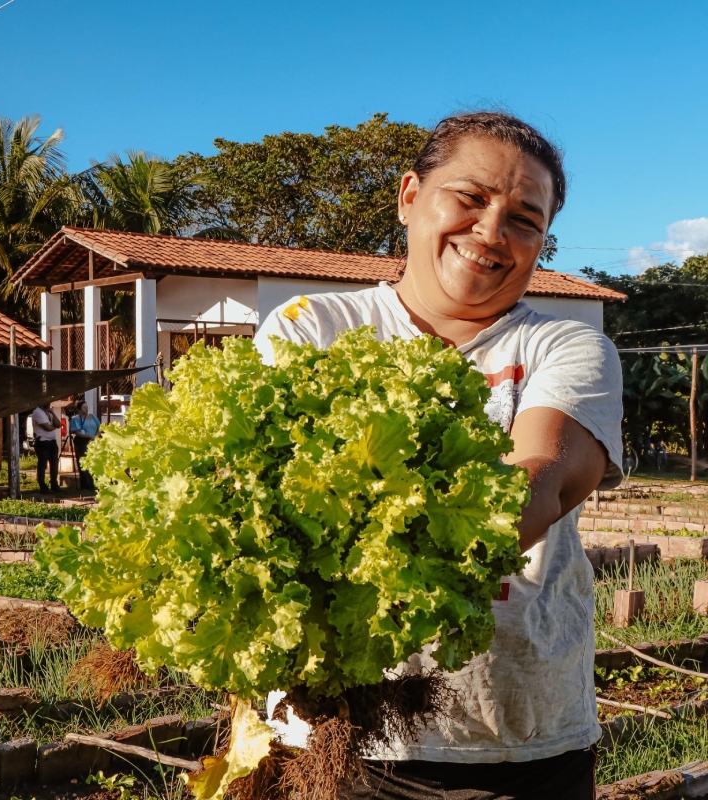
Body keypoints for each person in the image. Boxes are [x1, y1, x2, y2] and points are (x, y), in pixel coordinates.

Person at [253, 111, 623, 800]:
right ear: (409, 196)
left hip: (517, 741)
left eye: (524, 219)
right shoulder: (313, 328)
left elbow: (543, 480)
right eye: (471, 197)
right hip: (333, 734)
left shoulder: (567, 348)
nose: (491, 231)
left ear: (542, 241)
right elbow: (266, 498)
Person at [69, 400, 100, 490]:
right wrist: (89, 436)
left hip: (93, 440)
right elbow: (78, 432)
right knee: (84, 461)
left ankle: (96, 482)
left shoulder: (93, 417)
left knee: (94, 461)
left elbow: (99, 427)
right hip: (82, 441)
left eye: (87, 407)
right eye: (84, 407)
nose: (86, 409)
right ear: (79, 409)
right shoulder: (76, 419)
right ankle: (87, 484)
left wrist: (94, 437)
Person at [30, 402, 61, 493]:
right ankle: (42, 485)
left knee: (54, 462)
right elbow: (47, 427)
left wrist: (52, 413)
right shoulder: (37, 412)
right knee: (43, 464)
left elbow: (58, 424)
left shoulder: (48, 412)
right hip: (42, 441)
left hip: (52, 441)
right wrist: (53, 427)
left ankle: (54, 484)